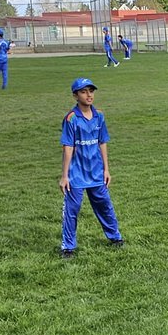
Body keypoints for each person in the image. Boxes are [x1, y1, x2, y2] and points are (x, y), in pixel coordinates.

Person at [59, 77, 125, 258]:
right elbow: (68, 147)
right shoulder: (71, 119)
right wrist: (65, 176)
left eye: (91, 91)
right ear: (75, 95)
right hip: (76, 175)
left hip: (96, 173)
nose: (89, 95)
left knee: (105, 206)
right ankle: (68, 247)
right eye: (83, 91)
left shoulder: (99, 116)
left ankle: (115, 237)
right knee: (72, 211)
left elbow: (102, 142)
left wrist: (106, 169)